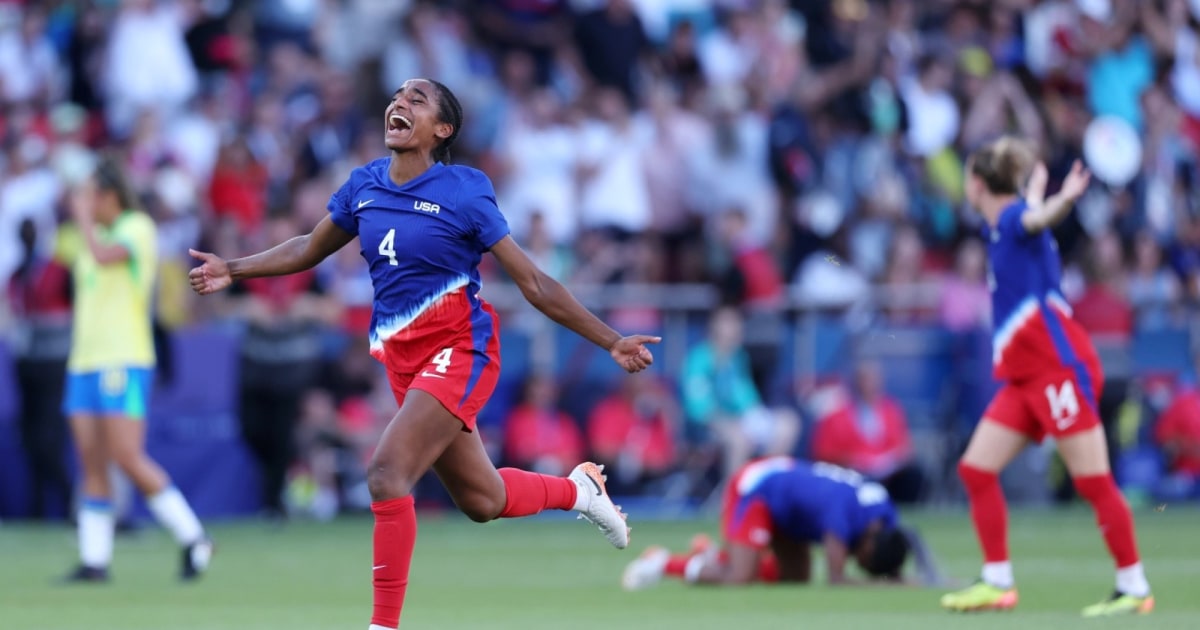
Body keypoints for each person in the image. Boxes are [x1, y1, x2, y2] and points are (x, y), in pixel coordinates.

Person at [188, 78, 659, 630]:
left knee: (386, 473)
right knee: (482, 500)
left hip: (462, 349)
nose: (399, 103)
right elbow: (306, 249)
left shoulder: (464, 189)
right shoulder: (364, 185)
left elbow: (531, 280)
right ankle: (578, 490)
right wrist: (234, 268)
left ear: (442, 129)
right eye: (397, 96)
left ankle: (382, 626)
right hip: (404, 362)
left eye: (417, 99)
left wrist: (610, 339)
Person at [940, 137, 1153, 617]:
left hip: (1058, 373)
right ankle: (997, 581)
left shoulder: (1015, 222)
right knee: (975, 470)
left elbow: (1036, 219)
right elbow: (1031, 217)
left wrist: (1061, 200)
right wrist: (1040, 192)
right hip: (1025, 378)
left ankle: (1134, 585)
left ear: (976, 184)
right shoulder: (1006, 225)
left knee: (1093, 482)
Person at [62, 157, 212, 582]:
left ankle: (193, 536)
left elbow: (105, 255)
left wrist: (83, 222)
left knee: (126, 455)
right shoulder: (100, 235)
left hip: (123, 359)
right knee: (90, 461)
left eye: (90, 194)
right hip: (84, 360)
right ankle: (95, 560)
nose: (84, 202)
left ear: (107, 195)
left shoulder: (136, 229)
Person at [620, 456, 941, 590]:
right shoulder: (842, 516)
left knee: (795, 578)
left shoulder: (883, 516)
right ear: (869, 541)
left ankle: (716, 555)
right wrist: (889, 584)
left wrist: (906, 575)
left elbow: (903, 538)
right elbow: (836, 579)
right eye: (867, 560)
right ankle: (664, 563)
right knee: (740, 577)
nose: (861, 562)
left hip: (791, 505)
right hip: (758, 488)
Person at [8, 218, 73, 520]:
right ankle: (37, 507)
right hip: (27, 362)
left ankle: (69, 500)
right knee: (29, 437)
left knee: (49, 438)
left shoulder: (59, 272)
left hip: (54, 363)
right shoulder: (17, 274)